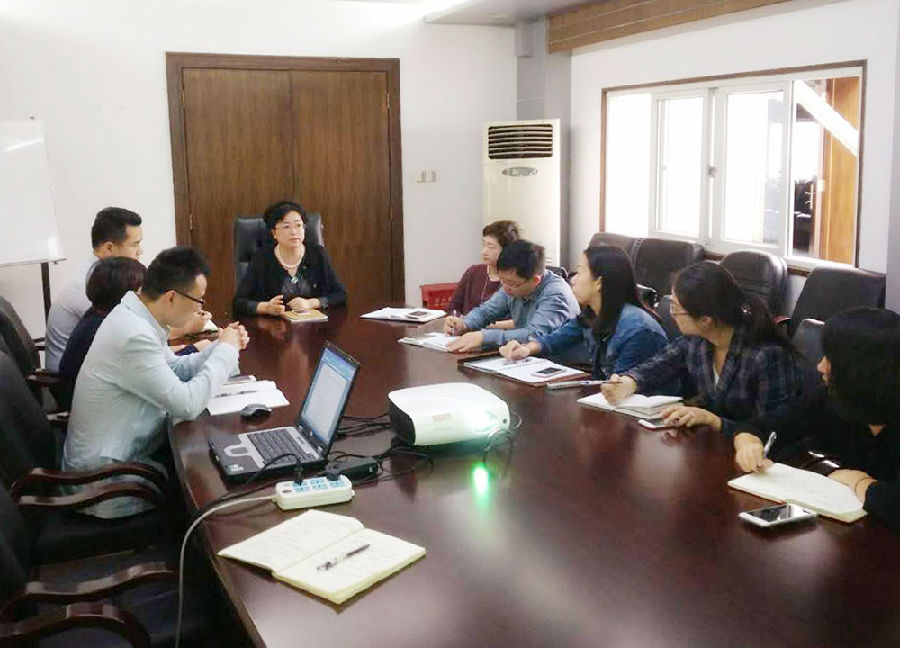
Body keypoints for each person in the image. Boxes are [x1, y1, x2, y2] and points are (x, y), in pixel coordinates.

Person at [62, 247, 249, 518]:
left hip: (122, 459)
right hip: (107, 484)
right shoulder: (133, 334)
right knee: (214, 487)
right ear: (171, 297)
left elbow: (174, 368)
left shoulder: (136, 316)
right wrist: (227, 352)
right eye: (197, 300)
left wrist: (219, 347)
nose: (200, 308)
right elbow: (187, 405)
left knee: (205, 464)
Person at [734, 308, 899, 530]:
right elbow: (759, 425)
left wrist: (858, 481)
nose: (820, 366)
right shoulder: (834, 397)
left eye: (830, 359)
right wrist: (748, 443)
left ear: (860, 369)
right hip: (854, 528)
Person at [601, 262, 801, 435]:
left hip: (756, 456)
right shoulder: (697, 341)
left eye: (675, 308)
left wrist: (714, 421)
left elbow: (773, 431)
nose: (671, 314)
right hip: (714, 445)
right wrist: (628, 383)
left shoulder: (766, 356)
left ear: (705, 320)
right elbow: (658, 366)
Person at [498, 246, 669, 378]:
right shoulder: (592, 314)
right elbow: (555, 339)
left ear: (599, 283)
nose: (573, 280)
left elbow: (619, 388)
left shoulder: (636, 329)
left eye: (580, 272)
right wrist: (526, 349)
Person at [44, 207, 143, 370]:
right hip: (71, 377)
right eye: (135, 245)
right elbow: (128, 334)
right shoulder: (89, 284)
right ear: (109, 248)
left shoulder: (107, 277)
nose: (140, 251)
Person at [444, 240, 580, 353]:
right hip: (524, 358)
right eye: (502, 280)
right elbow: (486, 311)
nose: (505, 287)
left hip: (563, 366)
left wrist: (484, 337)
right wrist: (464, 323)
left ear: (535, 280)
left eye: (511, 283)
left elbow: (535, 335)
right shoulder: (511, 285)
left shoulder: (556, 294)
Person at [57, 257, 146, 410]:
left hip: (85, 404)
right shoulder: (108, 330)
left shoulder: (96, 316)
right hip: (99, 411)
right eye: (141, 291)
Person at [232, 201, 347, 317]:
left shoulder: (318, 254)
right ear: (274, 233)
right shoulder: (262, 259)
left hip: (313, 324)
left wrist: (311, 303)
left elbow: (340, 295)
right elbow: (238, 302)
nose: (294, 232)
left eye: (298, 225)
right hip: (272, 325)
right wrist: (265, 307)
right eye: (286, 227)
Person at [447, 220, 520, 315]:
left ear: (507, 250)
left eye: (491, 247)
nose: (484, 251)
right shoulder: (473, 272)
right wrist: (455, 319)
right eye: (484, 245)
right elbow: (453, 307)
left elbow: (517, 318)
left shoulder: (515, 280)